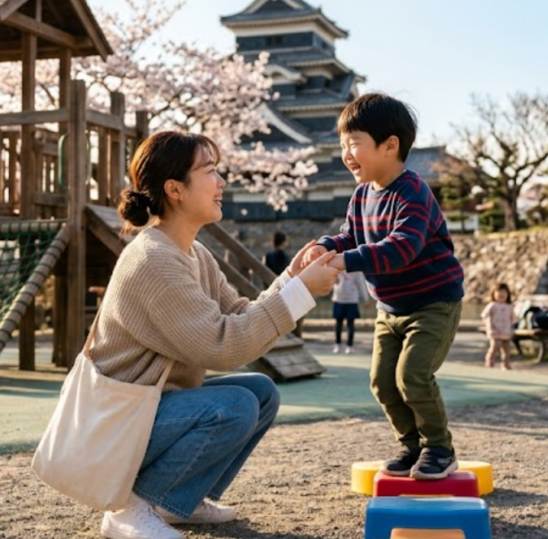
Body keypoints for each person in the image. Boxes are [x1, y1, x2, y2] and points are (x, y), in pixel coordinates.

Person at [91, 131, 340, 539]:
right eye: (209, 171)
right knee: (235, 405)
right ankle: (128, 507)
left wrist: (292, 278)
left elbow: (240, 313)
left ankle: (177, 502)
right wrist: (301, 292)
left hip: (147, 415)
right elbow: (223, 346)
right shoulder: (154, 260)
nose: (222, 181)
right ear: (175, 189)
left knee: (260, 392)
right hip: (117, 427)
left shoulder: (192, 252)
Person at [303, 93, 464, 480]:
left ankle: (440, 448)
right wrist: (327, 245)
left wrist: (346, 261)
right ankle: (411, 446)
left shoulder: (414, 192)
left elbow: (401, 248)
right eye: (343, 145)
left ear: (390, 145)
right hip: (389, 309)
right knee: (382, 382)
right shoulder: (361, 196)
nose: (346, 154)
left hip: (433, 303)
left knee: (413, 375)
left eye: (354, 143)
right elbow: (350, 235)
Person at [331, 271, 370, 354]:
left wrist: (365, 298)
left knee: (350, 323)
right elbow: (331, 281)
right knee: (338, 323)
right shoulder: (336, 266)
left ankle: (350, 346)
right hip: (338, 299)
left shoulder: (356, 268)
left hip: (351, 299)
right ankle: (337, 344)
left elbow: (360, 283)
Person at [481, 282, 517, 370]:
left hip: (506, 331)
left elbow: (513, 318)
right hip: (495, 330)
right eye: (499, 292)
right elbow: (485, 315)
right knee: (495, 346)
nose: (502, 294)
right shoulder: (492, 305)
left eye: (504, 292)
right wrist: (489, 325)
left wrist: (513, 327)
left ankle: (505, 363)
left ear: (508, 294)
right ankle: (490, 360)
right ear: (493, 294)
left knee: (507, 349)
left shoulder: (509, 306)